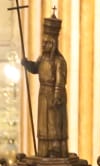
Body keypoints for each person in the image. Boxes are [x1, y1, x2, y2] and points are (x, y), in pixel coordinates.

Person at [22, 16, 69, 158]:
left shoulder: (59, 61)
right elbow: (35, 69)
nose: (43, 46)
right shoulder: (42, 59)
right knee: (44, 124)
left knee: (54, 123)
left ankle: (55, 149)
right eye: (43, 43)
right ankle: (44, 148)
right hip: (43, 94)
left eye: (46, 43)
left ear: (53, 44)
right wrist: (26, 63)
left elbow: (61, 81)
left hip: (54, 95)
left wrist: (57, 95)